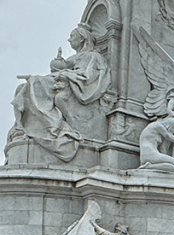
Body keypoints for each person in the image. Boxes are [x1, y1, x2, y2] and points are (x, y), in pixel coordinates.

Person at [8, 23, 111, 162]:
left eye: (72, 36)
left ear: (82, 39)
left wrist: (66, 74)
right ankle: (21, 128)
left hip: (69, 85)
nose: (69, 40)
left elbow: (89, 78)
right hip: (60, 82)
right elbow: (60, 71)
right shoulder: (73, 58)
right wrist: (58, 66)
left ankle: (52, 127)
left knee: (35, 82)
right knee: (22, 88)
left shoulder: (92, 56)